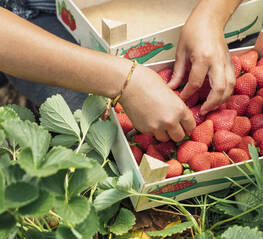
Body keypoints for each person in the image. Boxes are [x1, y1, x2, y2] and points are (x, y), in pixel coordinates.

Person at [0, 0, 242, 142]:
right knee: (100, 138)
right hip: (42, 16)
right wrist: (125, 81)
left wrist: (212, 14)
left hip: (188, 8)